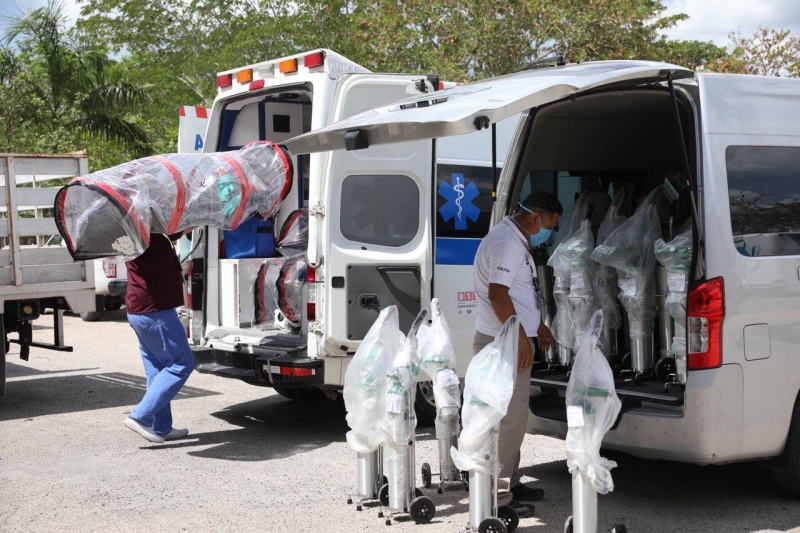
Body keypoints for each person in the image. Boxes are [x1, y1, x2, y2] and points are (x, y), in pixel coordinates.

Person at [472, 191, 562, 516]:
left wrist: (537, 326)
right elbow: (498, 295)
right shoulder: (507, 244)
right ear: (535, 218)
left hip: (507, 338)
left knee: (513, 420)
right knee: (509, 422)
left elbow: (518, 294)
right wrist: (521, 336)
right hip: (504, 342)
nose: (549, 232)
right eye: (549, 225)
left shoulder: (512, 237)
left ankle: (509, 480)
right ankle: (498, 499)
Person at [123, 232, 194, 444]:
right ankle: (140, 416)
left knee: (157, 369)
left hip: (139, 309)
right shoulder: (147, 234)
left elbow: (174, 230)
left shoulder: (128, 232)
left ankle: (160, 427)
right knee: (181, 363)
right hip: (155, 311)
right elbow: (175, 228)